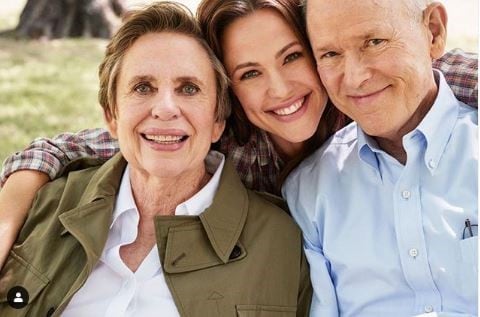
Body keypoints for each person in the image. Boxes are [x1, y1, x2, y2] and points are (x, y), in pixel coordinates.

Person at [0, 0, 477, 270]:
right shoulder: (227, 144)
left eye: (292, 57)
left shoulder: (361, 94)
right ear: (226, 94)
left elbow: (439, 73)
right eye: (249, 73)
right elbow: (66, 147)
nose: (280, 89)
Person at [0, 3, 312, 316]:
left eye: (188, 88)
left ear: (219, 120)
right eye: (143, 87)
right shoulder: (41, 207)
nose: (165, 109)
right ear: (112, 115)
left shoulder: (288, 245)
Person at [283, 0, 478, 316]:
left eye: (374, 42)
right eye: (330, 54)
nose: (355, 78)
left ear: (433, 32)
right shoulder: (308, 191)